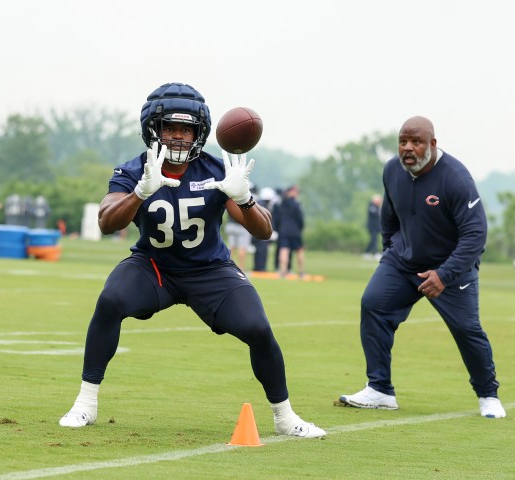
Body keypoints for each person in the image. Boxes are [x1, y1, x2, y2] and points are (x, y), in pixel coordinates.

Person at [59, 82, 325, 439]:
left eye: (187, 129)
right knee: (111, 300)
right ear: (153, 129)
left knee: (259, 329)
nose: (179, 137)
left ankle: (285, 416)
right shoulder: (134, 169)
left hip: (209, 270)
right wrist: (140, 192)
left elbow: (263, 232)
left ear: (200, 133)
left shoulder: (216, 171)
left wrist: (245, 199)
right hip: (154, 266)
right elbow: (107, 222)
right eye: (171, 127)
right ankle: (85, 403)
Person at [339, 116, 506, 419]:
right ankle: (380, 390)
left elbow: (476, 233)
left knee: (467, 329)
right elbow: (389, 218)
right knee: (373, 303)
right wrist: (391, 251)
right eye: (403, 141)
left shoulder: (455, 178)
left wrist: (445, 274)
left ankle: (488, 395)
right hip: (403, 263)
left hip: (451, 269)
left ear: (432, 144)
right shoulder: (392, 170)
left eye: (416, 142)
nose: (408, 148)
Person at [274, 185, 305, 278]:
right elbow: (300, 219)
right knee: (299, 250)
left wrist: (278, 229)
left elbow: (276, 219)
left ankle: (283, 272)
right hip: (295, 231)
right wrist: (300, 228)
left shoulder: (280, 204)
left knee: (284, 250)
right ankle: (301, 272)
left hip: (283, 230)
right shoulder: (296, 204)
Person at [252, 187, 278, 272]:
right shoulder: (265, 206)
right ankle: (261, 268)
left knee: (258, 250)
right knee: (262, 250)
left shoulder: (258, 204)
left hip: (256, 231)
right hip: (261, 231)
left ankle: (257, 267)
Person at [363, 194, 383, 260]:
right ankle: (376, 253)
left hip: (377, 227)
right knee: (374, 239)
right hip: (372, 227)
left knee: (373, 240)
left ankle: (366, 252)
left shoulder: (378, 207)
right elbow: (376, 214)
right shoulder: (372, 206)